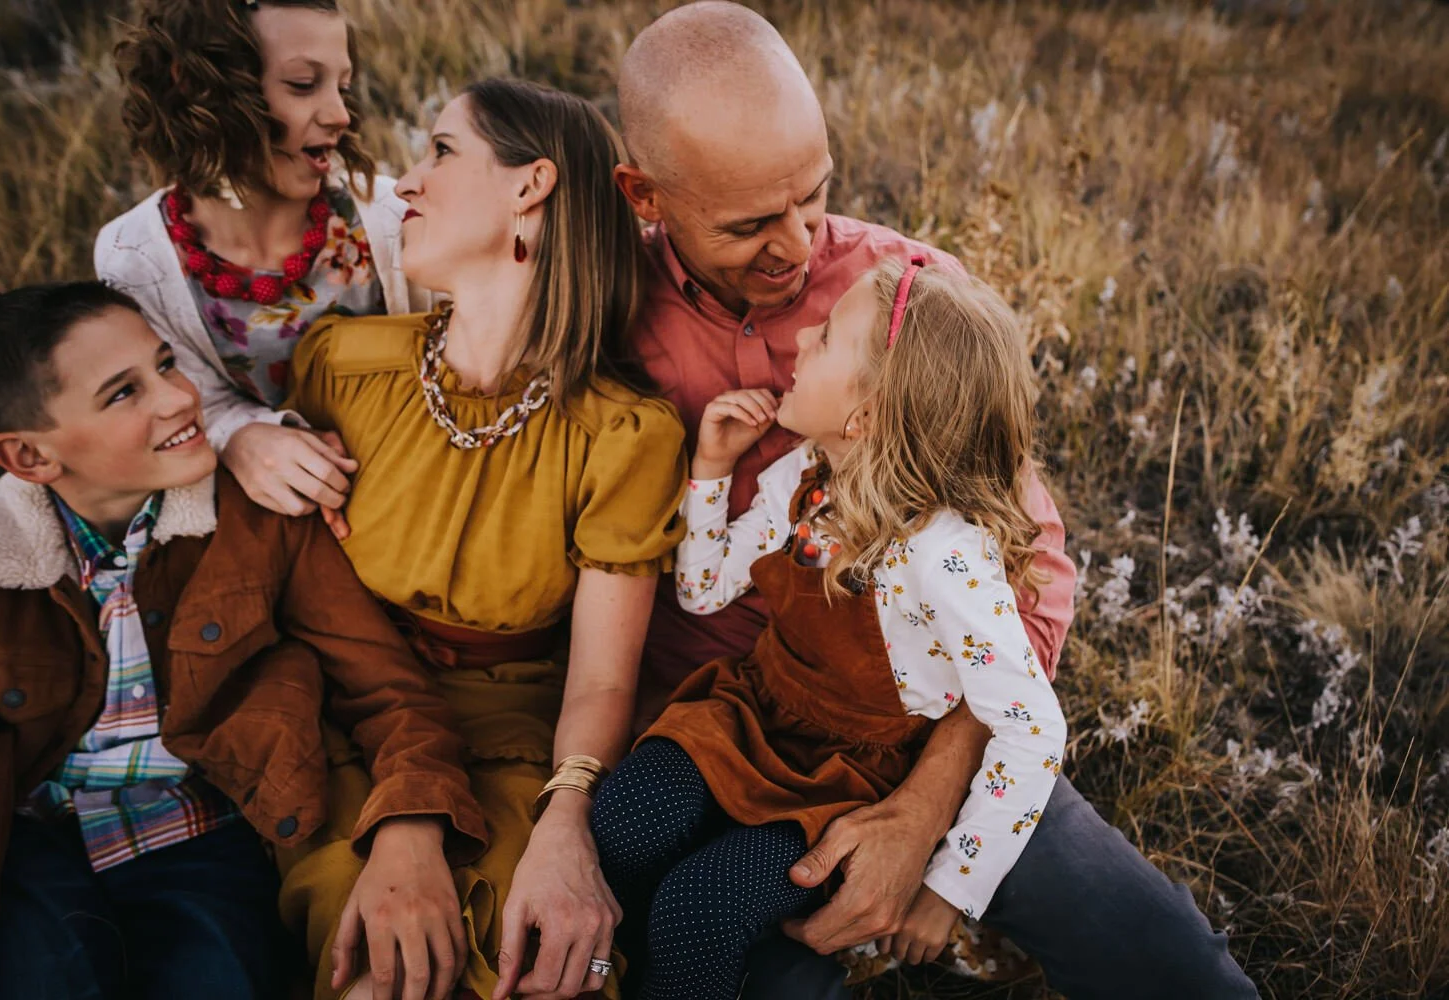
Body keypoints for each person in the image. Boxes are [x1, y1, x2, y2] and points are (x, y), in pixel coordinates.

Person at [615, 4, 1257, 998]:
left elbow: (1030, 571)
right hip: (718, 723)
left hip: (919, 727)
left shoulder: (909, 300)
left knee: (1163, 958)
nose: (794, 243)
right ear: (645, 195)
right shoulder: (602, 309)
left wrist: (927, 817)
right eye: (748, 224)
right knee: (716, 946)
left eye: (813, 196)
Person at [0, 282, 487, 1000]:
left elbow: (387, 687)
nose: (176, 398)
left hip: (199, 835)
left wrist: (413, 827)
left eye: (167, 364)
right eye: (123, 394)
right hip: (35, 848)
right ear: (29, 455)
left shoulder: (260, 521)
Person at [280, 78, 688, 1000]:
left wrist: (566, 823)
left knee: (529, 967)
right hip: (344, 718)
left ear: (530, 185)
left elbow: (599, 680)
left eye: (439, 150)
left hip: (516, 737)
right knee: (377, 971)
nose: (404, 185)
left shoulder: (624, 434)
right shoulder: (344, 370)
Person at [594, 259, 1068, 998]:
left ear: (867, 416)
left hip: (846, 777)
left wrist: (949, 886)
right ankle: (604, 971)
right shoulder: (803, 478)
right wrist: (712, 467)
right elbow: (702, 589)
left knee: (700, 911)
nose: (804, 331)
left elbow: (1033, 728)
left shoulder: (946, 556)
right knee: (624, 822)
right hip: (749, 713)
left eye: (826, 338)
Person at [96, 0, 427, 530]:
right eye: (302, 84)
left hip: (416, 498)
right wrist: (240, 439)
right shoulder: (135, 257)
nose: (339, 115)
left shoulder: (391, 218)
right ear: (199, 90)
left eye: (342, 87)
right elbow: (190, 401)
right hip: (272, 522)